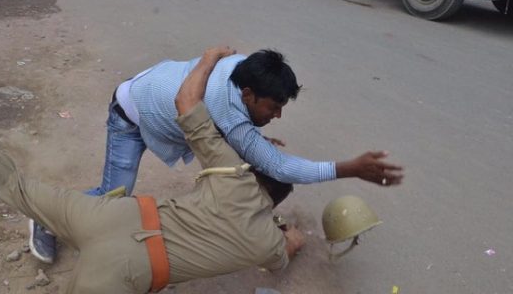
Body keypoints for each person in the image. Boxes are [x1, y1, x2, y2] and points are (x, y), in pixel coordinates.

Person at [0, 47, 381, 291]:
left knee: (13, 183)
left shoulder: (228, 171)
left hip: (112, 220)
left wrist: (208, 57)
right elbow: (284, 247)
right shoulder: (265, 242)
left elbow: (189, 104)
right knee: (113, 183)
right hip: (127, 270)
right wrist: (294, 233)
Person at [29, 48, 406, 263]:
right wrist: (349, 168)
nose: (277, 116)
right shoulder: (227, 112)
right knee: (114, 198)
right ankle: (46, 219)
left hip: (154, 97)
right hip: (131, 114)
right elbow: (279, 168)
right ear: (247, 94)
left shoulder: (238, 66)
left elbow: (240, 146)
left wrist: (252, 149)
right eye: (273, 107)